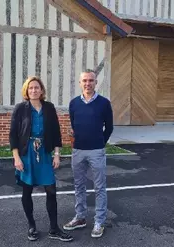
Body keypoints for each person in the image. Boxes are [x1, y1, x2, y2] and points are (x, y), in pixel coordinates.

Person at [9, 76, 73, 242]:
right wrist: (16, 158)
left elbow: (56, 132)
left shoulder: (49, 108)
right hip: (26, 153)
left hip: (44, 152)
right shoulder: (20, 109)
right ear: (26, 90)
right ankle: (31, 226)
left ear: (42, 90)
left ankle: (54, 228)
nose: (33, 90)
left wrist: (57, 154)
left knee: (51, 190)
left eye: (36, 87)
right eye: (30, 88)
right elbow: (13, 135)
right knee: (27, 190)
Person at [63, 69, 113, 238]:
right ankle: (80, 217)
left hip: (96, 151)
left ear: (95, 82)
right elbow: (74, 125)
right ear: (80, 83)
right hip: (78, 151)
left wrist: (99, 142)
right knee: (79, 186)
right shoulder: (74, 103)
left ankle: (99, 221)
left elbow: (110, 127)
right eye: (84, 80)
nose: (87, 83)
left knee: (99, 187)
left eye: (91, 80)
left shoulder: (104, 103)